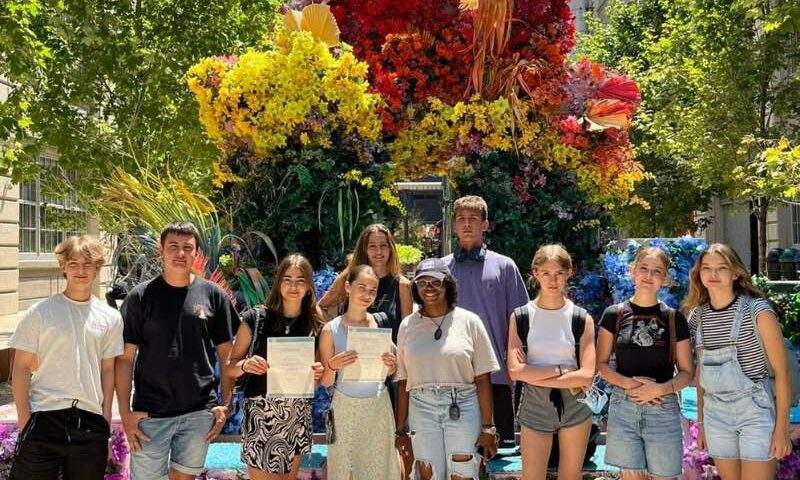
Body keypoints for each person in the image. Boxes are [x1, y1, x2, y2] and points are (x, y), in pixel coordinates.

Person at [116, 222, 239, 480]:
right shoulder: (139, 298)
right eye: (173, 246)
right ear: (161, 250)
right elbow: (125, 360)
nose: (180, 253)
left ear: (196, 253)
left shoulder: (213, 295)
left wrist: (225, 405)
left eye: (187, 248)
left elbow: (227, 355)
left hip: (198, 413)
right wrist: (125, 414)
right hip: (150, 413)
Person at [10, 235, 122, 480]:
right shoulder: (40, 313)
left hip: (90, 423)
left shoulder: (111, 318)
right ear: (63, 267)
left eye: (87, 264)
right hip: (44, 417)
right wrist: (24, 420)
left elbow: (108, 370)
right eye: (73, 263)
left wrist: (104, 418)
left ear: (97, 268)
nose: (80, 270)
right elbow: (20, 368)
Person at [683, 243, 792, 480]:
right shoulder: (697, 317)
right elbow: (702, 373)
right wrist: (701, 422)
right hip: (715, 414)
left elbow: (783, 373)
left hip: (754, 411)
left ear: (735, 273)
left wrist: (781, 429)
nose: (713, 275)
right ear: (699, 274)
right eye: (706, 268)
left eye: (721, 268)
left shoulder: (757, 311)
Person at [395, 258, 499, 480]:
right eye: (422, 283)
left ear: (448, 285)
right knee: (427, 473)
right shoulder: (408, 325)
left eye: (436, 282)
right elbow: (403, 381)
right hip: (421, 406)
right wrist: (399, 430)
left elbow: (483, 378)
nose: (429, 288)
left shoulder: (470, 321)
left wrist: (489, 428)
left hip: (462, 404)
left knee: (462, 472)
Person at [224, 254, 325, 480]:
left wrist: (317, 373)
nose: (293, 286)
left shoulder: (315, 325)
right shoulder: (255, 318)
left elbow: (318, 378)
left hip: (296, 416)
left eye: (300, 280)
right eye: (287, 279)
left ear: (309, 286)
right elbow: (230, 367)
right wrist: (246, 364)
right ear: (278, 282)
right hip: (261, 415)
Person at [597, 247, 694, 479]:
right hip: (625, 407)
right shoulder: (614, 315)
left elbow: (687, 372)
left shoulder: (673, 319)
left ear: (665, 278)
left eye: (657, 271)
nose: (648, 276)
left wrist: (659, 389)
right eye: (644, 269)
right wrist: (631, 385)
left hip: (663, 408)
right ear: (633, 271)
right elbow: (600, 365)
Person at [442, 195, 529, 446]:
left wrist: (516, 363)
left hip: (496, 376)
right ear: (454, 225)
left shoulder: (505, 266)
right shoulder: (441, 269)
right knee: (457, 450)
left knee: (499, 452)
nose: (467, 224)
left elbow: (520, 319)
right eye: (461, 219)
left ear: (485, 224)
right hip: (453, 375)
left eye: (473, 219)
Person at [507, 244, 595, 480]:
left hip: (575, 402)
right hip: (535, 402)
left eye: (559, 273)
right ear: (536, 273)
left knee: (570, 476)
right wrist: (561, 369)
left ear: (569, 273)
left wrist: (534, 373)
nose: (553, 280)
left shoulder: (581, 318)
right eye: (546, 273)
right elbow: (515, 371)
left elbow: (587, 375)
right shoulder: (521, 316)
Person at [318, 264, 401, 479]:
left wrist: (393, 366)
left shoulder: (381, 323)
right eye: (361, 287)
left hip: (378, 406)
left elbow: (393, 371)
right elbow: (326, 382)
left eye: (372, 290)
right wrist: (332, 366)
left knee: (379, 468)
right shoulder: (330, 330)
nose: (367, 294)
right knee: (345, 470)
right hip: (345, 408)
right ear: (348, 287)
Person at [318, 223, 412, 341]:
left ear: (391, 248)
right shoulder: (349, 277)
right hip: (350, 355)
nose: (378, 251)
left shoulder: (402, 285)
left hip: (385, 356)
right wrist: (335, 332)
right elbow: (320, 308)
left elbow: (407, 333)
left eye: (383, 245)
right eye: (372, 246)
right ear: (364, 249)